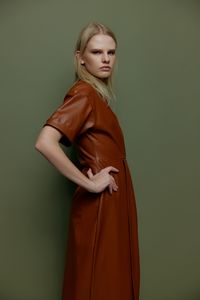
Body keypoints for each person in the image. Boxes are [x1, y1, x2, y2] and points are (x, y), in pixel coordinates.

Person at [35, 21, 140, 300]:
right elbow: (45, 142)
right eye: (96, 52)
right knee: (99, 284)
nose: (106, 59)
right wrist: (90, 184)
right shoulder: (84, 94)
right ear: (80, 57)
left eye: (111, 52)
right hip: (101, 202)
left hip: (114, 201)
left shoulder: (96, 96)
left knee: (112, 281)